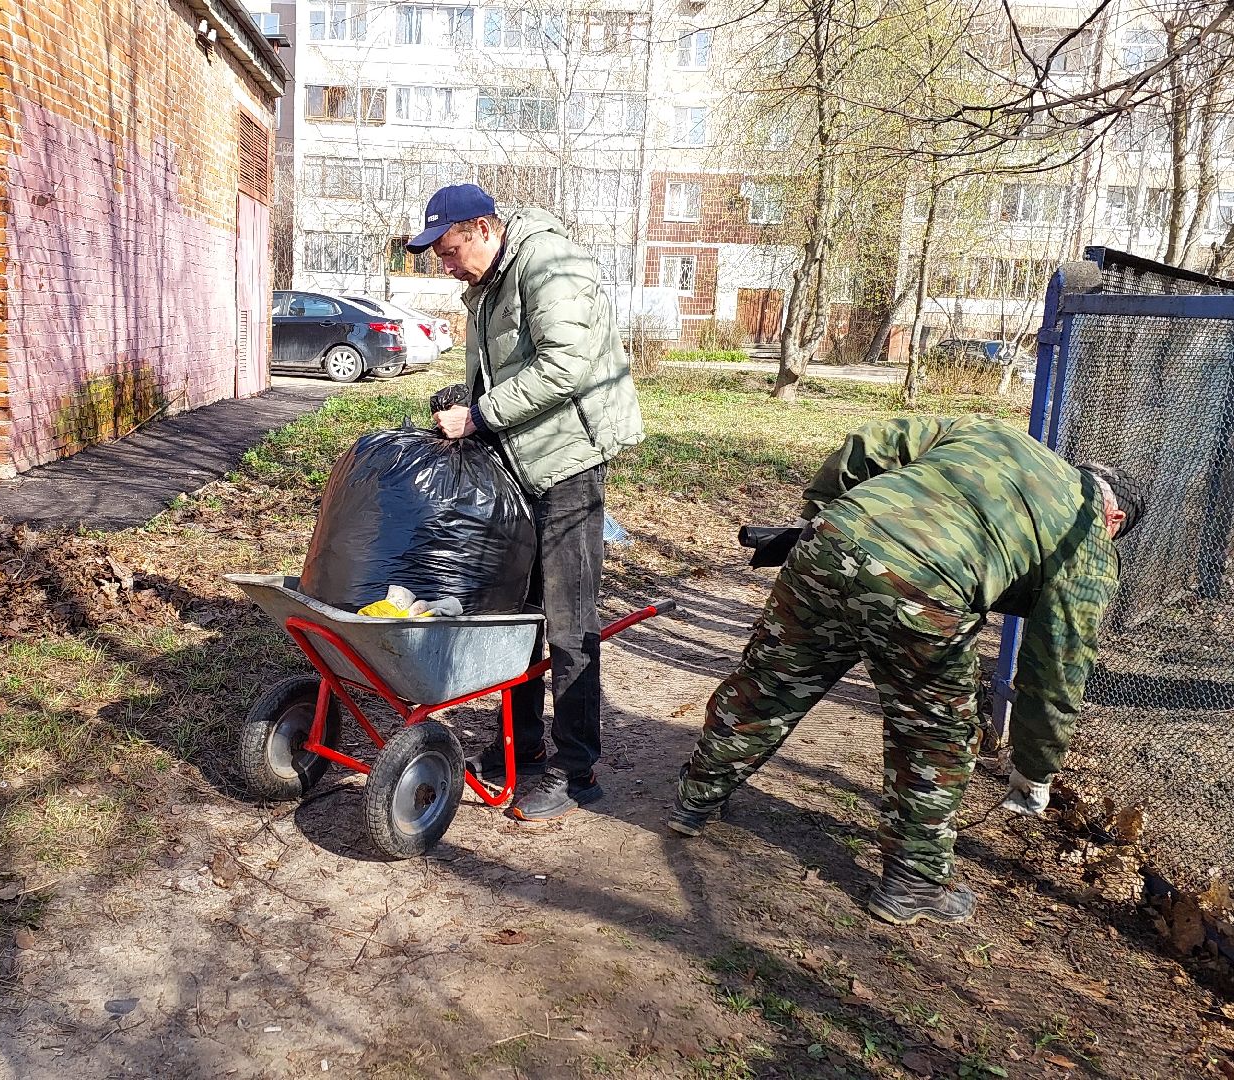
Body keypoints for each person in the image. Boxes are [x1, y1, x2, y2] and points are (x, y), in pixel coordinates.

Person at [670, 414, 1146, 925]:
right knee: (934, 735)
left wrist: (815, 516)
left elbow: (870, 443)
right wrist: (1035, 768)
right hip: (923, 592)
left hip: (831, 540)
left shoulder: (999, 437)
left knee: (771, 682)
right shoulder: (1088, 539)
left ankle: (696, 799)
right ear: (1114, 519)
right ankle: (913, 884)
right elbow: (1056, 665)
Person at [409, 183, 644, 821]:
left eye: (451, 249)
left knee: (567, 620)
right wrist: (460, 397)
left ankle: (576, 771)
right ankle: (524, 745)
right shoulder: (488, 284)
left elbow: (565, 365)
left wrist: (479, 415)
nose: (446, 264)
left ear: (484, 227)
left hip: (567, 464)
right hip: (518, 464)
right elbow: (506, 369)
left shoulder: (548, 265)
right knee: (515, 614)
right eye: (439, 256)